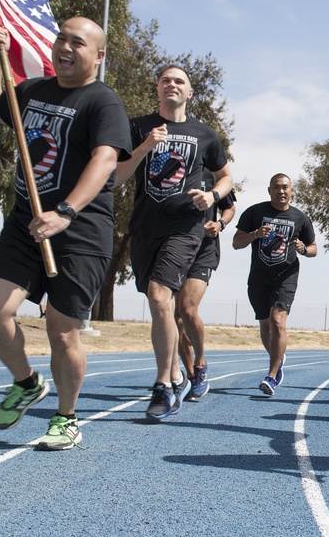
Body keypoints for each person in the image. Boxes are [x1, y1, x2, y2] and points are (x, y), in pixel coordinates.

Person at [0, 17, 131, 451]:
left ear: (98, 56)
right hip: (26, 224)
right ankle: (26, 382)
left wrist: (66, 211)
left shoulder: (103, 102)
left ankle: (67, 418)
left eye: (77, 42)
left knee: (62, 331)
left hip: (81, 233)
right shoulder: (31, 90)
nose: (65, 47)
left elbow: (105, 161)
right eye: (61, 38)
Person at [115, 65, 233, 420]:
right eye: (166, 80)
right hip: (144, 228)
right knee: (161, 305)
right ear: (157, 89)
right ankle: (178, 375)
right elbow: (116, 177)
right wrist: (144, 147)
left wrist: (212, 196)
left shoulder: (204, 134)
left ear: (189, 92)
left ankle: (163, 384)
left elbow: (226, 178)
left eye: (179, 81)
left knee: (159, 295)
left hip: (186, 228)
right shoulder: (137, 127)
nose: (172, 84)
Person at [232, 173, 316, 396]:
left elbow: (314, 248)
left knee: (277, 320)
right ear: (269, 190)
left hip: (286, 276)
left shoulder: (300, 218)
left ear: (292, 191)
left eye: (285, 187)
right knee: (266, 326)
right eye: (276, 187)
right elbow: (236, 242)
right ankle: (278, 357)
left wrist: (304, 249)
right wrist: (255, 234)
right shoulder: (254, 213)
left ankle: (272, 374)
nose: (281, 191)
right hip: (259, 277)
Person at [174, 179, 237, 400]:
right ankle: (191, 375)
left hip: (204, 251)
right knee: (175, 317)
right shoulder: (175, 173)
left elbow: (230, 208)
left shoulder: (215, 176)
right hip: (175, 249)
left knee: (187, 308)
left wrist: (220, 224)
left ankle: (200, 363)